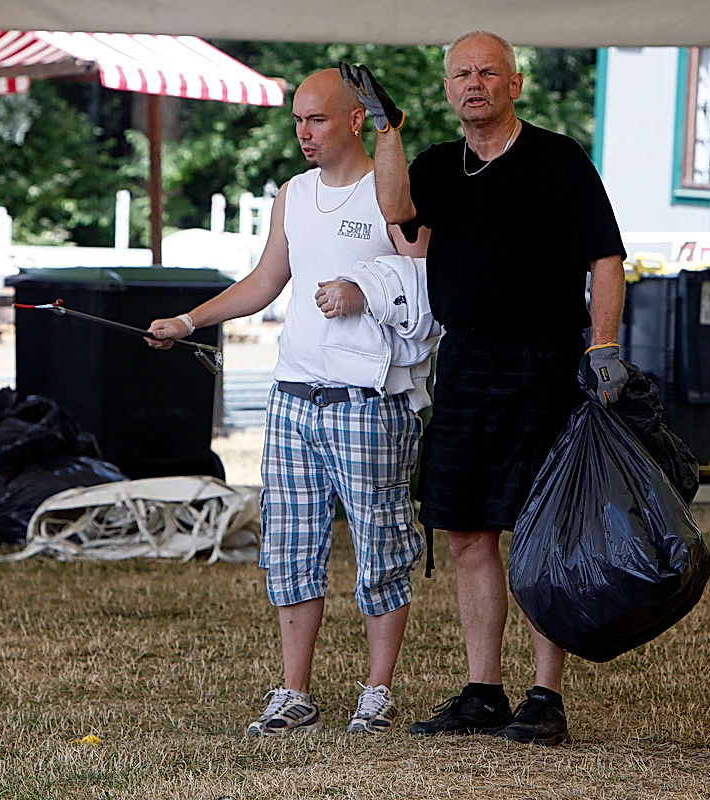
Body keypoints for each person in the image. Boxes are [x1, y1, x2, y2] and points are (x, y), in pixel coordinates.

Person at [341, 30, 629, 746]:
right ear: (448, 90)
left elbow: (606, 258)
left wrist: (603, 348)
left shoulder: (559, 160)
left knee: (539, 532)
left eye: (489, 73)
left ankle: (545, 695)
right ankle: (483, 691)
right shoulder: (440, 165)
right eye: (463, 75)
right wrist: (385, 127)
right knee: (469, 531)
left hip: (545, 363)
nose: (475, 84)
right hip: (465, 361)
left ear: (515, 83)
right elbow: (395, 208)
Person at [146, 68, 435, 738]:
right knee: (290, 544)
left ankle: (378, 691)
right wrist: (189, 322)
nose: (304, 133)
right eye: (298, 121)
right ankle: (293, 691)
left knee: (381, 544)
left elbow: (422, 275)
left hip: (367, 399)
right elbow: (266, 279)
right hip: (294, 396)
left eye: (319, 120)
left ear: (357, 120)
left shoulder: (389, 193)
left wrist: (363, 293)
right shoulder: (293, 195)